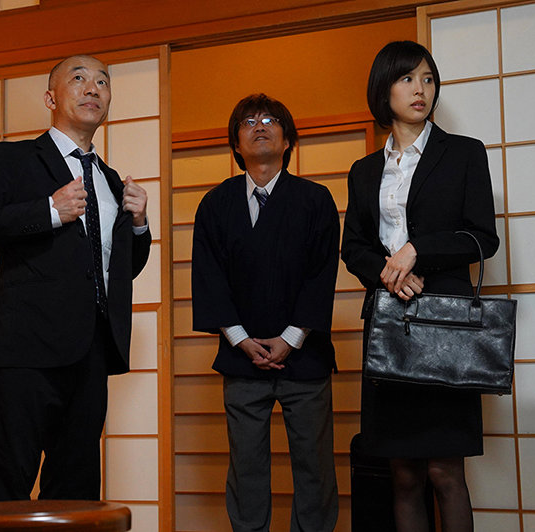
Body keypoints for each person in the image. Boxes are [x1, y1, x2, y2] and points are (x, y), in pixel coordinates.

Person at [0, 54, 151, 502]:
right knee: (8, 483)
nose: (93, 88)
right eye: (78, 78)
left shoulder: (111, 180)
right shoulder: (13, 158)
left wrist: (139, 225)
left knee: (76, 489)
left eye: (102, 82)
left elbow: (119, 272)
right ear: (50, 98)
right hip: (26, 349)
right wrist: (49, 211)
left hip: (91, 352)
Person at [341, 41, 499, 532]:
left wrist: (416, 251)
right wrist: (390, 272)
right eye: (407, 78)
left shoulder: (464, 153)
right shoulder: (364, 171)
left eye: (428, 79)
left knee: (445, 471)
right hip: (388, 325)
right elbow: (354, 247)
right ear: (383, 89)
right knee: (404, 474)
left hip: (445, 326)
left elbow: (483, 238)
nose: (420, 89)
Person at [191, 94, 340, 532]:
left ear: (287, 139)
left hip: (305, 355)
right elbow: (209, 277)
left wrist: (291, 338)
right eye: (249, 121)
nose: (260, 126)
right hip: (242, 357)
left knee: (314, 467)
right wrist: (240, 339)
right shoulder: (215, 204)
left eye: (271, 120)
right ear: (235, 144)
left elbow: (321, 274)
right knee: (247, 469)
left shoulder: (315, 200)